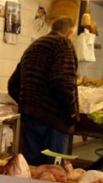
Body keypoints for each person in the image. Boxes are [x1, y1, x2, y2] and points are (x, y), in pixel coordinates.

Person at [7, 16, 79, 165]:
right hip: (54, 121)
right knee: (54, 171)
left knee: (31, 168)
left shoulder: (33, 46)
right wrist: (72, 111)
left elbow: (13, 85)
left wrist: (28, 103)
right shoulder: (63, 43)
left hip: (30, 117)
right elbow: (62, 82)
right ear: (70, 33)